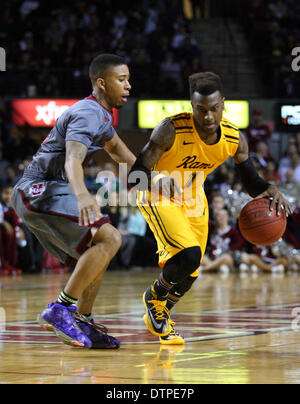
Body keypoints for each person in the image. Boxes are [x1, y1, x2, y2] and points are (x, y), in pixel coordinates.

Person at [129, 72, 292, 345]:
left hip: (194, 200)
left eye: (214, 109)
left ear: (223, 104)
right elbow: (134, 175)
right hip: (158, 195)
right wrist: (157, 179)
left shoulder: (233, 138)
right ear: (192, 106)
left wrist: (270, 189)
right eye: (201, 109)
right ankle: (153, 297)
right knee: (190, 255)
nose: (207, 116)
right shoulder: (170, 129)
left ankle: (160, 315)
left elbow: (251, 182)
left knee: (191, 272)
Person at [12, 54, 136, 349]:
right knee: (110, 238)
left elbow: (121, 154)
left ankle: (82, 319)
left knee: (98, 250)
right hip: (38, 189)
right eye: (122, 80)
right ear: (102, 84)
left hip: (47, 191)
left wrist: (157, 181)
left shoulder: (103, 117)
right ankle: (60, 310)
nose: (129, 85)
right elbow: (72, 160)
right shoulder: (88, 113)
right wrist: (82, 195)